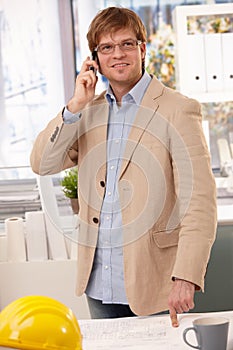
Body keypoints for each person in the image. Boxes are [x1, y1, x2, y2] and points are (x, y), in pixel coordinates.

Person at [30, 6, 217, 327]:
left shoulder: (178, 109)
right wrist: (75, 106)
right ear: (94, 59)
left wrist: (185, 277)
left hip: (157, 283)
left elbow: (199, 204)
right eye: (107, 47)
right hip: (99, 282)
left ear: (142, 49)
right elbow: (42, 163)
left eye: (127, 44)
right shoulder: (88, 111)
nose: (118, 54)